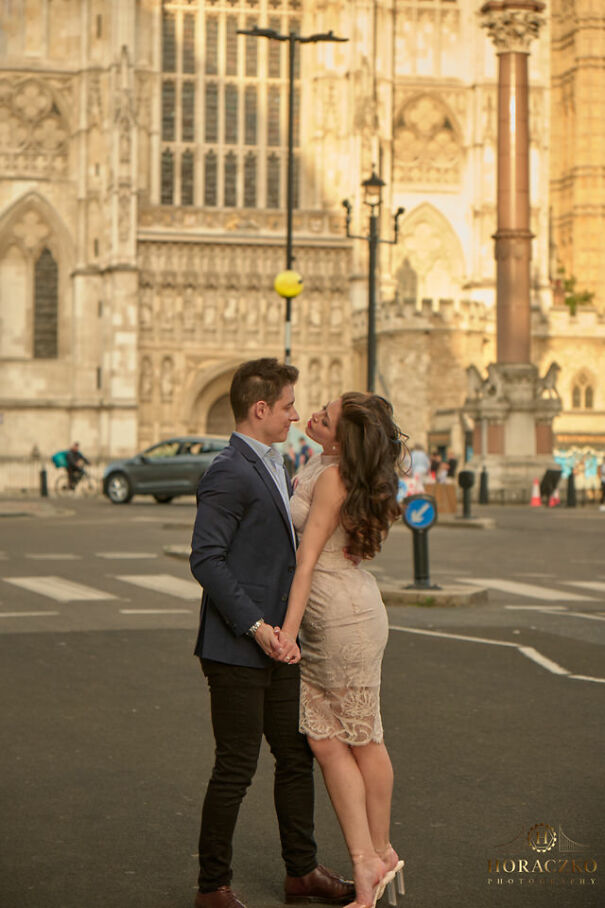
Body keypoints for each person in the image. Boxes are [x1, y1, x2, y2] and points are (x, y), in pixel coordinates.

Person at [189, 358, 354, 908]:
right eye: (287, 406)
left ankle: (301, 872)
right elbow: (206, 559)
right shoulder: (229, 470)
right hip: (238, 645)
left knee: (294, 757)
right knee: (236, 767)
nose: (295, 415)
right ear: (260, 409)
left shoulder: (276, 464)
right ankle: (212, 886)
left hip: (280, 642)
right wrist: (257, 627)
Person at [275, 393, 406, 908]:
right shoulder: (324, 462)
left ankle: (375, 855)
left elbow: (306, 560)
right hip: (338, 610)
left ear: (341, 439)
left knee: (358, 737)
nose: (313, 415)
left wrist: (286, 633)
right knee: (332, 740)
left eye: (324, 418)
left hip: (340, 617)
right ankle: (372, 857)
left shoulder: (332, 476)